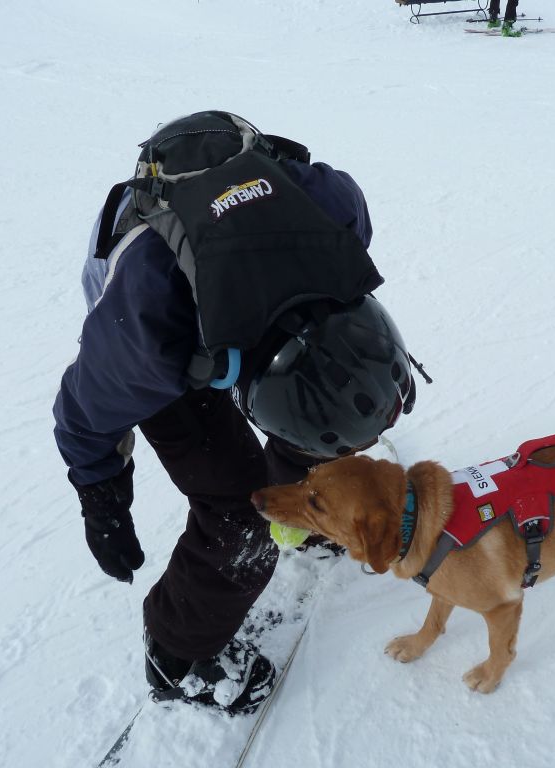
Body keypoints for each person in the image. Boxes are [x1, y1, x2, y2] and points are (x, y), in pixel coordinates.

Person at [53, 111, 423, 715]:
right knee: (235, 510)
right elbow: (83, 414)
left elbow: (332, 192)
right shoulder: (148, 334)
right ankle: (176, 655)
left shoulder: (334, 218)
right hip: (150, 276)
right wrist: (102, 497)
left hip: (251, 241)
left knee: (328, 400)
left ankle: (303, 510)